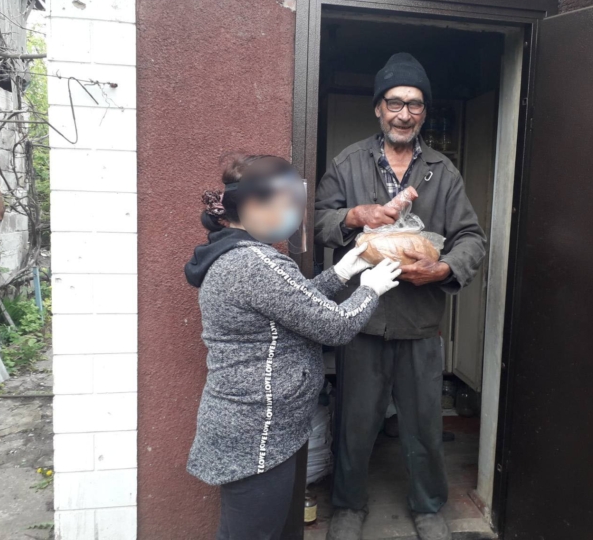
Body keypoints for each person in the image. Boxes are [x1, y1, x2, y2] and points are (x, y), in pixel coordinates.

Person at [184, 153, 402, 540]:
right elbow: (334, 326)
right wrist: (370, 290)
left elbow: (294, 306)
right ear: (252, 205)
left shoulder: (238, 257)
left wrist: (341, 272)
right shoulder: (256, 264)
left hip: (251, 425)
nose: (293, 217)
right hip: (257, 431)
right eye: (286, 206)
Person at [315, 53, 487, 540]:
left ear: (424, 112)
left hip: (418, 321)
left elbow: (471, 237)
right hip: (361, 321)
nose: (404, 114)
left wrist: (445, 267)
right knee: (355, 421)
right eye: (395, 102)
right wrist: (354, 216)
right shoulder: (349, 163)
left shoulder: (441, 171)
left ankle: (429, 508)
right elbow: (320, 221)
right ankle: (348, 505)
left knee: (423, 425)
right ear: (378, 108)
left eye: (414, 104)